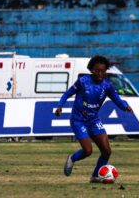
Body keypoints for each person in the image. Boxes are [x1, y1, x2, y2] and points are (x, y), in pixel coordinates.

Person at [55, 55, 133, 183]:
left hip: (94, 121)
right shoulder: (83, 81)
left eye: (103, 71)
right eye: (97, 71)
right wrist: (59, 106)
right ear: (92, 70)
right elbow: (67, 94)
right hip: (78, 120)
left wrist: (125, 106)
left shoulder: (107, 86)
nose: (100, 73)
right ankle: (72, 158)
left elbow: (116, 99)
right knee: (88, 151)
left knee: (107, 151)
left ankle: (95, 176)